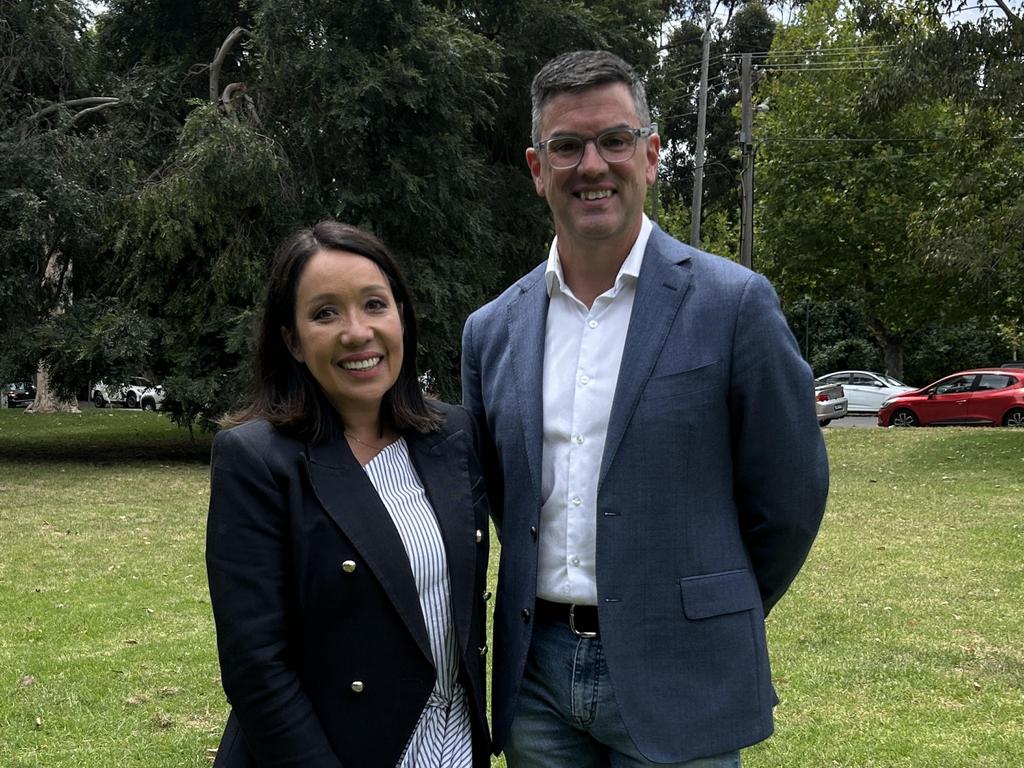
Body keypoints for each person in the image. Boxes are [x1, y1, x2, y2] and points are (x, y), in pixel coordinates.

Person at [461, 50, 829, 767]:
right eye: (567, 146)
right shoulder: (491, 329)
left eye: (615, 140)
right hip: (535, 679)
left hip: (682, 668)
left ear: (652, 155)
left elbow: (789, 498)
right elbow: (505, 500)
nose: (592, 164)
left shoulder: (735, 305)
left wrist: (709, 607)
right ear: (538, 169)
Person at [207, 221, 491, 768]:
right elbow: (256, 668)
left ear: (402, 315)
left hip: (453, 746)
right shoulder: (257, 461)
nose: (357, 332)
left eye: (374, 304)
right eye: (325, 313)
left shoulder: (452, 434)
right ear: (291, 339)